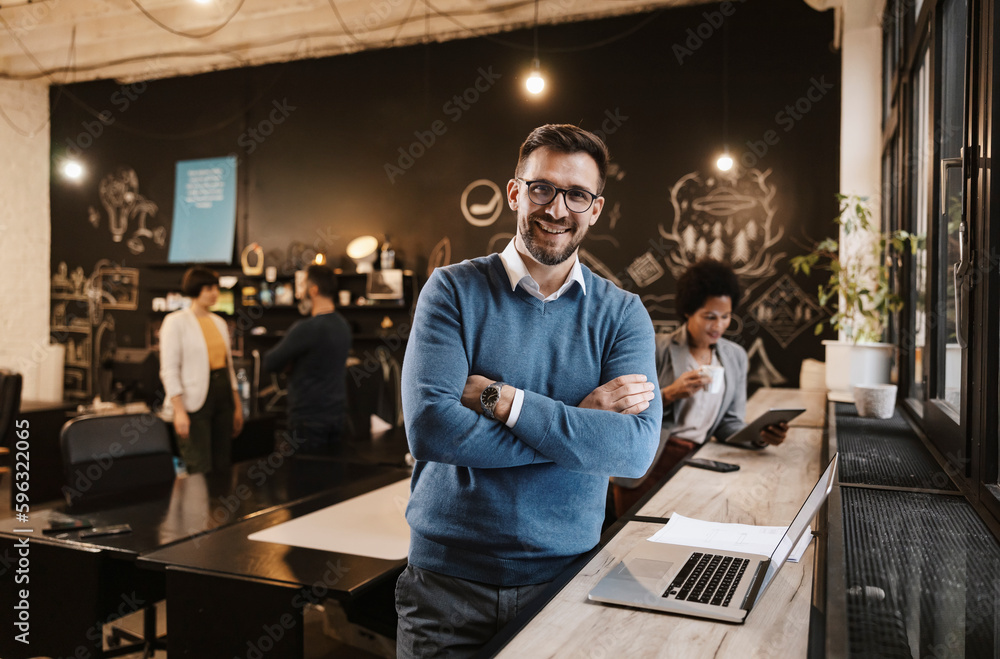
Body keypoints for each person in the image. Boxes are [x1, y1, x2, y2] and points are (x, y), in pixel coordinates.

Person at [396, 124, 661, 657]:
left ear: (596, 208)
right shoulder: (451, 290)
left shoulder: (623, 314)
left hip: (565, 581)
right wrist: (576, 424)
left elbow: (631, 452)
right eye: (542, 188)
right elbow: (430, 430)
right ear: (515, 192)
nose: (557, 209)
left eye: (577, 195)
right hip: (446, 588)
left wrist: (506, 401)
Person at [611, 259, 789, 516]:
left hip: (697, 464)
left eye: (725, 317)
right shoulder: (656, 347)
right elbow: (622, 410)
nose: (718, 326)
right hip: (649, 463)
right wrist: (670, 394)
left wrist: (761, 435)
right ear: (688, 311)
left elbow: (729, 424)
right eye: (709, 317)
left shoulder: (735, 357)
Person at [159, 266, 242, 474]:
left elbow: (228, 367)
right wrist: (178, 410)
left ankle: (220, 505)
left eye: (216, 288)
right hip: (194, 401)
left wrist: (237, 405)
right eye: (208, 288)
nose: (214, 293)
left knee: (223, 463)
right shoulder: (175, 322)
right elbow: (169, 369)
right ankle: (199, 508)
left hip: (223, 395)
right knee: (199, 465)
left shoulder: (220, 322)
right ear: (195, 290)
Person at [262, 264, 352, 454]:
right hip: (337, 414)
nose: (301, 293)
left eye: (303, 287)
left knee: (304, 479)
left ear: (313, 290)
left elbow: (270, 362)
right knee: (333, 479)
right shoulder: (343, 325)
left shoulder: (306, 328)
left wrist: (291, 364)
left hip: (308, 418)